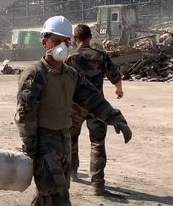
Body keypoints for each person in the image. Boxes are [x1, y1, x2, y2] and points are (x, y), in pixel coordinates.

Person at [15, 16, 132, 206]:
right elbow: (25, 114)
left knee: (46, 197)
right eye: (56, 40)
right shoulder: (35, 74)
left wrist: (116, 118)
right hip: (44, 144)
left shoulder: (71, 74)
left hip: (64, 141)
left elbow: (92, 98)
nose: (62, 45)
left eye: (65, 41)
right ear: (45, 43)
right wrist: (30, 148)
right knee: (58, 198)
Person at [66, 24, 124, 196]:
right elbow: (115, 75)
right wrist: (119, 89)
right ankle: (98, 184)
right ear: (90, 37)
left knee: (71, 139)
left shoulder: (69, 58)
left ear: (75, 39)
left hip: (74, 106)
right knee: (97, 142)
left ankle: (72, 171)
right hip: (97, 106)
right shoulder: (101, 56)